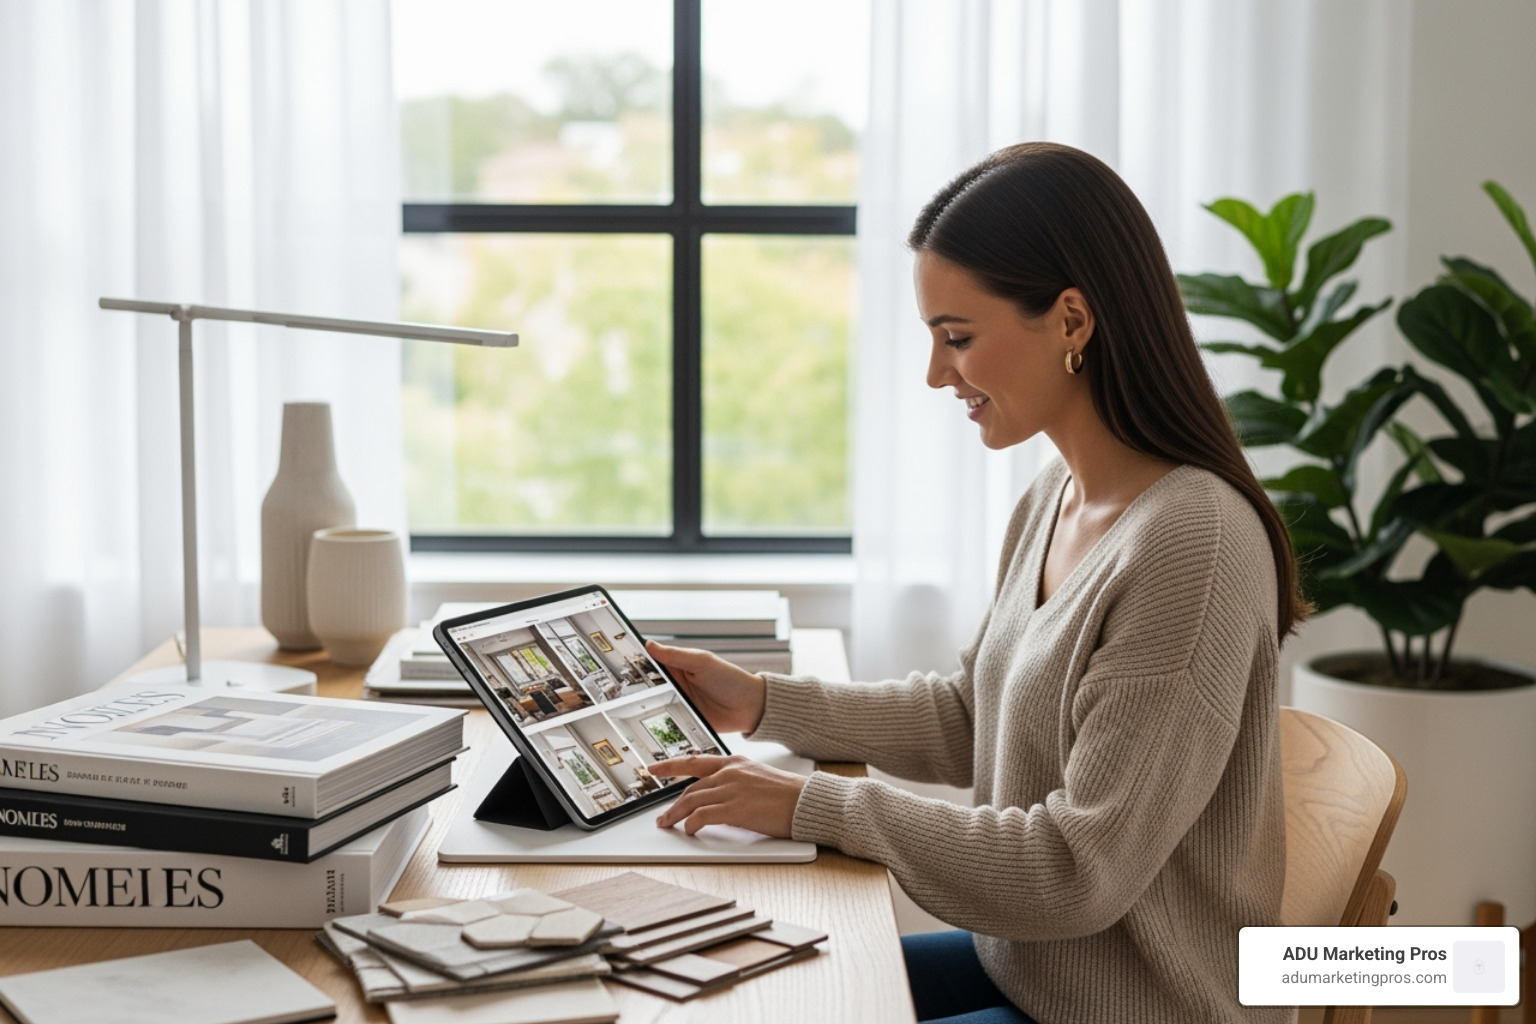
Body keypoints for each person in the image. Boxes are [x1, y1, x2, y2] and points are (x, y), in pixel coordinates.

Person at [646, 142, 1303, 1024]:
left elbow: (1077, 871)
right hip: (1030, 971)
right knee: (753, 993)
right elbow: (974, 715)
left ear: (1072, 321)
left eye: (958, 338)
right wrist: (761, 704)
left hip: (1130, 1006)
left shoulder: (1195, 545)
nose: (936, 374)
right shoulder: (1056, 495)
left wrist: (813, 803)